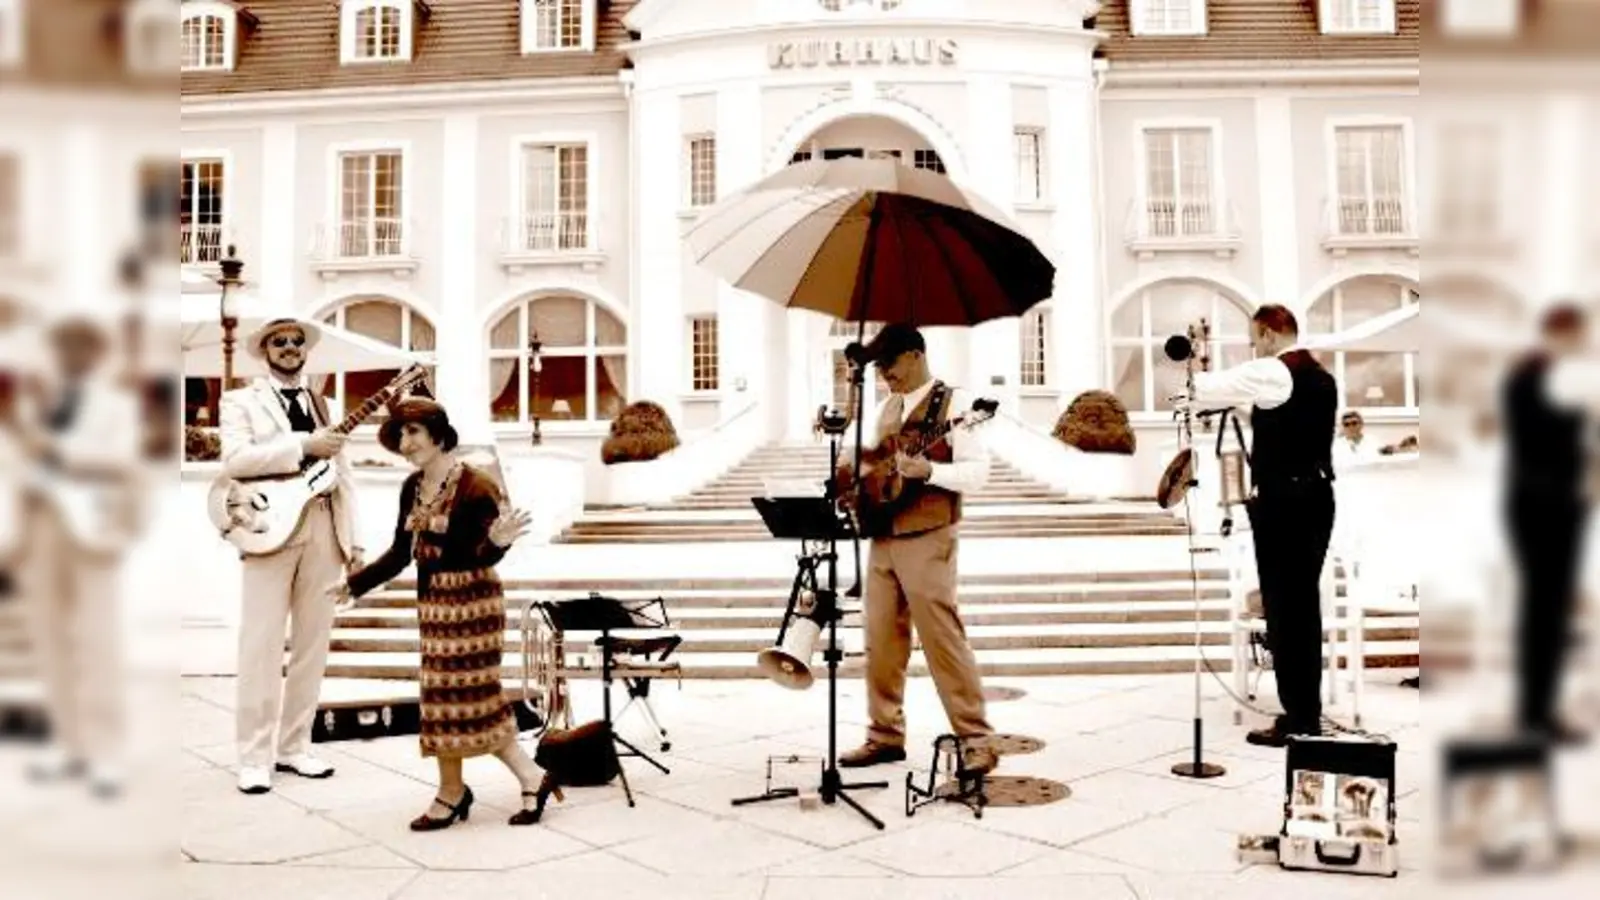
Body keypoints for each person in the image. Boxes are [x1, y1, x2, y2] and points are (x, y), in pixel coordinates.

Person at [328, 398, 544, 830]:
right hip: (434, 606)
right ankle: (467, 788)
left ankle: (511, 780)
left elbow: (482, 555)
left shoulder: (477, 485)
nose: (405, 444)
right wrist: (354, 585)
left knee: (471, 697)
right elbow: (399, 553)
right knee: (443, 701)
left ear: (438, 434)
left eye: (412, 433)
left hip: (473, 605)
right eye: (401, 435)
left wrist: (498, 542)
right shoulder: (412, 488)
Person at [834, 323, 998, 774]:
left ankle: (977, 738)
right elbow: (874, 467)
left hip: (929, 535)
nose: (886, 374)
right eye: (880, 366)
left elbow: (978, 472)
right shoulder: (887, 408)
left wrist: (930, 471)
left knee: (942, 638)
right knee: (881, 642)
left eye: (890, 363)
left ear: (915, 355)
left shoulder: (957, 404)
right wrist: (854, 474)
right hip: (883, 537)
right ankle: (884, 735)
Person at [1183, 304, 1338, 747]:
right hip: (1315, 497)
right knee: (1299, 608)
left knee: (1286, 609)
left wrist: (1193, 361)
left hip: (1287, 504)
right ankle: (1305, 710)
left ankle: (1301, 717)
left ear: (1270, 334)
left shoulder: (1275, 371)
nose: (1256, 348)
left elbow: (1204, 388)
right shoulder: (1317, 376)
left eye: (1256, 339)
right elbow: (1279, 420)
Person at [219, 318, 361, 794]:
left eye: (296, 342)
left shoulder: (326, 404)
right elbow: (235, 461)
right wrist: (302, 444)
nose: (289, 348)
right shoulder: (239, 401)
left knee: (312, 645)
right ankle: (254, 757)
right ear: (265, 351)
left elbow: (346, 475)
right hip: (269, 529)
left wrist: (354, 540)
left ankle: (294, 748)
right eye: (279, 342)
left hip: (323, 526)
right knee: (259, 645)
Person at [14, 306, 143, 796]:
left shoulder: (116, 405)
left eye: (80, 347)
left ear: (95, 354)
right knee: (49, 641)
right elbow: (19, 469)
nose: (70, 356)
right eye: (62, 347)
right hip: (43, 527)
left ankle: (106, 753)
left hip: (94, 530)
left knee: (98, 642)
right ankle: (69, 747)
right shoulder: (36, 405)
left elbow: (121, 462)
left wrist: (57, 451)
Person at [1503, 302, 1593, 744]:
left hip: (1558, 503)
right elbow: (1545, 441)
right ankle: (1535, 712)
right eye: (1576, 337)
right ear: (1560, 334)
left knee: (1551, 610)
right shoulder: (1534, 377)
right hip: (1543, 506)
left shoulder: (1552, 376)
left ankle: (1539, 707)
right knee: (1543, 609)